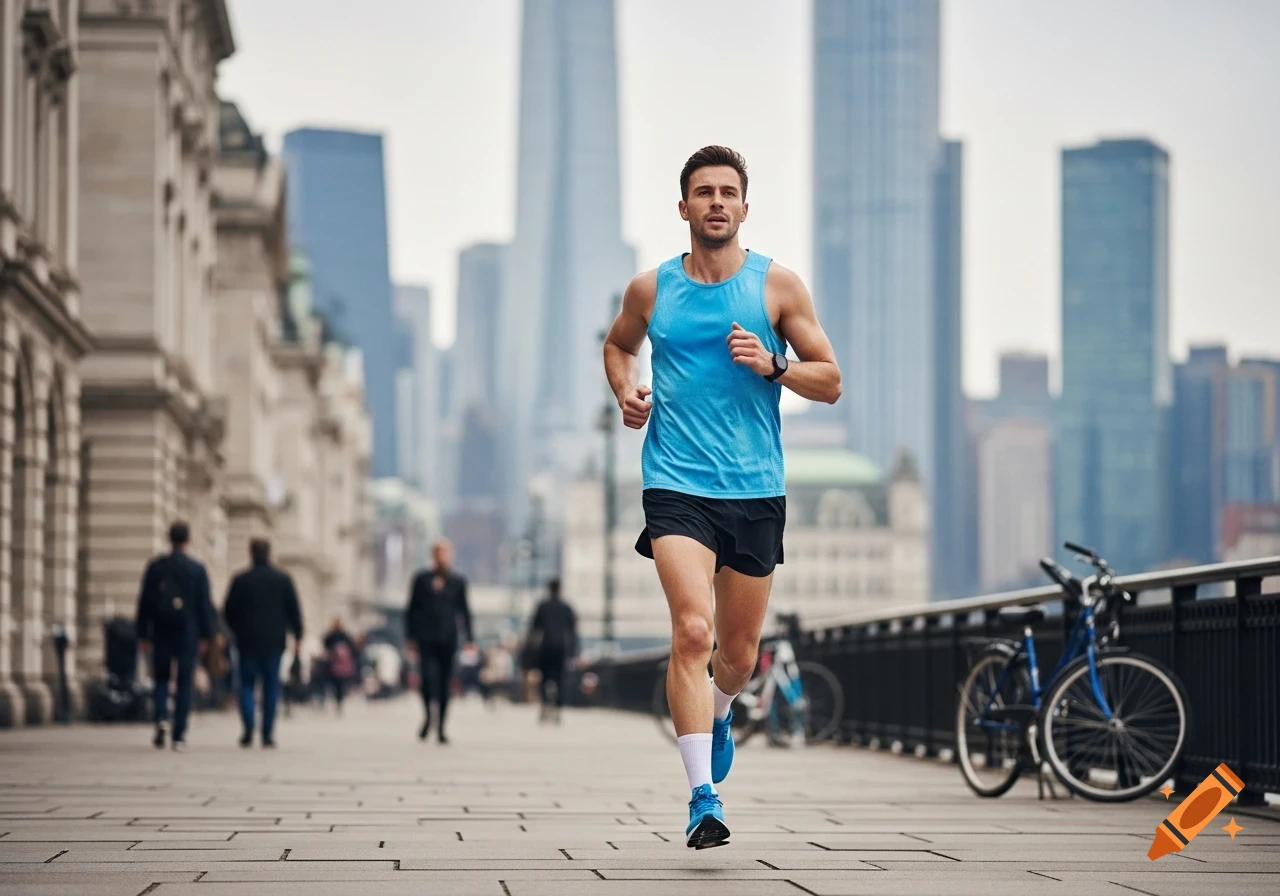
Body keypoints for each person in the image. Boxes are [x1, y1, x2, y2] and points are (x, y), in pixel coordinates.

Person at [602, 146, 842, 849]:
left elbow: (830, 379)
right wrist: (625, 391)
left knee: (735, 657)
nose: (715, 202)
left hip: (755, 490)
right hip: (675, 484)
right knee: (693, 633)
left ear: (743, 206)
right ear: (683, 208)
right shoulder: (652, 291)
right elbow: (619, 347)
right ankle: (702, 796)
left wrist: (774, 365)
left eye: (727, 192)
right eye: (702, 192)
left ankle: (725, 709)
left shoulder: (778, 288)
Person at [135, 521, 217, 751]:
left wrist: (142, 633)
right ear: (187, 541)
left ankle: (161, 716)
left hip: (161, 629)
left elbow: (144, 603)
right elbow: (204, 606)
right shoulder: (197, 569)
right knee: (184, 682)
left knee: (161, 677)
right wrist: (206, 635)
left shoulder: (156, 567)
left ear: (170, 539)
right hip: (188, 632)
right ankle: (179, 734)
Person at [223, 538, 304, 748]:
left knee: (247, 685)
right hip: (274, 643)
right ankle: (267, 733)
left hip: (247, 642)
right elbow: (294, 611)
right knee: (271, 687)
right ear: (269, 553)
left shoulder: (240, 580)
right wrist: (298, 635)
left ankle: (249, 724)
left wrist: (237, 631)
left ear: (251, 554)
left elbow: (228, 612)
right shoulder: (283, 579)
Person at [405, 538, 473, 744]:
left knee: (445, 682)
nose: (442, 557)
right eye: (438, 553)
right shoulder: (421, 579)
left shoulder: (458, 581)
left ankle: (442, 726)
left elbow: (465, 611)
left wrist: (469, 639)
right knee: (426, 679)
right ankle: (428, 716)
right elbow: (411, 610)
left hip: (448, 638)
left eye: (445, 553)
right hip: (425, 638)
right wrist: (410, 637)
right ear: (432, 556)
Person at [527, 578, 578, 723]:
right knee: (560, 678)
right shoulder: (566, 607)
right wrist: (574, 652)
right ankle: (558, 706)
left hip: (546, 646)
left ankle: (545, 704)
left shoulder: (543, 606)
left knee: (544, 678)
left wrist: (530, 649)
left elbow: (534, 628)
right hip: (561, 647)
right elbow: (573, 631)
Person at [322, 618, 360, 714]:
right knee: (335, 684)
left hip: (343, 665)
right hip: (334, 664)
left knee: (341, 684)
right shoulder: (332, 635)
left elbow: (353, 649)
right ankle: (337, 700)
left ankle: (339, 701)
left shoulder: (344, 636)